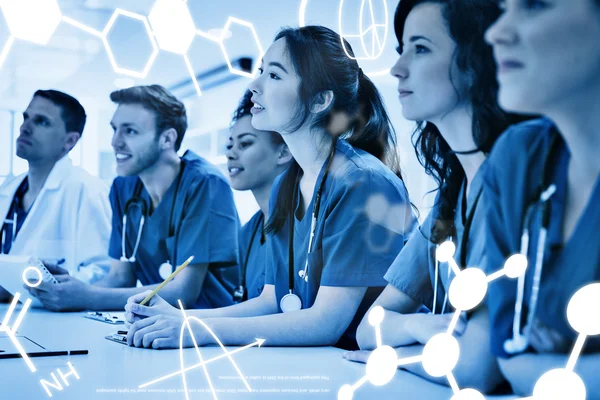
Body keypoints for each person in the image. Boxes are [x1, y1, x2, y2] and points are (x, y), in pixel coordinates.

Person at [124, 26, 415, 351]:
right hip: (318, 364)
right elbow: (271, 300)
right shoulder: (285, 187)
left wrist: (198, 329)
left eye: (274, 75)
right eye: (261, 71)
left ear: (320, 100)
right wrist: (182, 319)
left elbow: (326, 324)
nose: (254, 85)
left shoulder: (362, 181)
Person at [345, 0, 526, 393]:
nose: (397, 68)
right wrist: (415, 324)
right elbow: (369, 328)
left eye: (421, 48)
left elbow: (476, 368)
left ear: (476, 61)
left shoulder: (518, 182)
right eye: (401, 50)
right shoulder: (450, 199)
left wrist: (392, 355)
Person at [29, 85, 240, 311]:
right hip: (151, 323)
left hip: (206, 331)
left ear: (167, 139)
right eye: (115, 129)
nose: (115, 142)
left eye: (129, 131)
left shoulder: (204, 183)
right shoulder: (124, 187)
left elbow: (183, 293)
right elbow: (120, 277)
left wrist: (87, 296)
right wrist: (67, 290)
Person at [482, 0, 600, 397]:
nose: (495, 33)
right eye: (503, 7)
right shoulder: (518, 159)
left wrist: (553, 365)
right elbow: (509, 356)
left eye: (534, 5)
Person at [0, 89, 111, 302]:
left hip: (50, 323)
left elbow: (103, 273)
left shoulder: (86, 190)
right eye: (26, 117)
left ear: (69, 141)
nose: (25, 128)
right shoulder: (8, 189)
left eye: (41, 122)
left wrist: (26, 285)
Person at [227, 90, 292, 303]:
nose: (230, 153)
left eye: (245, 143)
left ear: (283, 152)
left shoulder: (302, 224)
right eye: (230, 145)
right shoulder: (249, 232)